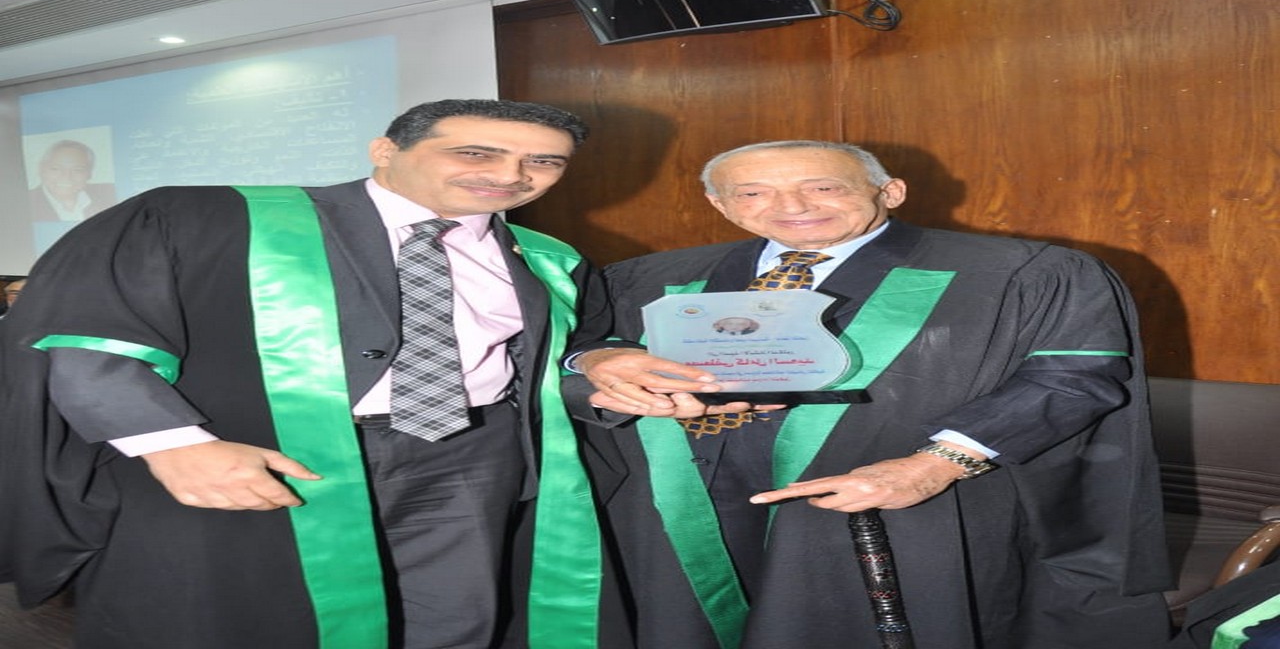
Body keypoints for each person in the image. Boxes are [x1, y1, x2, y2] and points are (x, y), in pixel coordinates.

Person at [0, 99, 614, 649]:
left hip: (469, 456)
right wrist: (172, 444)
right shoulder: (204, 218)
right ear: (385, 150)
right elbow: (87, 337)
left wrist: (598, 361)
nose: (511, 175)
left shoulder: (547, 258)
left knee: (452, 615)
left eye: (543, 162)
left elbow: (573, 347)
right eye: (476, 153)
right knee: (242, 618)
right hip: (257, 453)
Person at [567, 140, 1173, 648]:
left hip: (897, 500)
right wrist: (595, 369)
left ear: (891, 191)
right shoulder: (645, 277)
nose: (793, 207)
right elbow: (567, 360)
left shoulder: (1027, 272)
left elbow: (1071, 381)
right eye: (753, 193)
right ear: (719, 204)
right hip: (680, 501)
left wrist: (933, 467)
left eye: (824, 187)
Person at [27, 139, 116, 222]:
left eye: (77, 170)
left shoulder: (109, 193)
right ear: (41, 169)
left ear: (89, 173)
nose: (66, 177)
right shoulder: (25, 202)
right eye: (56, 169)